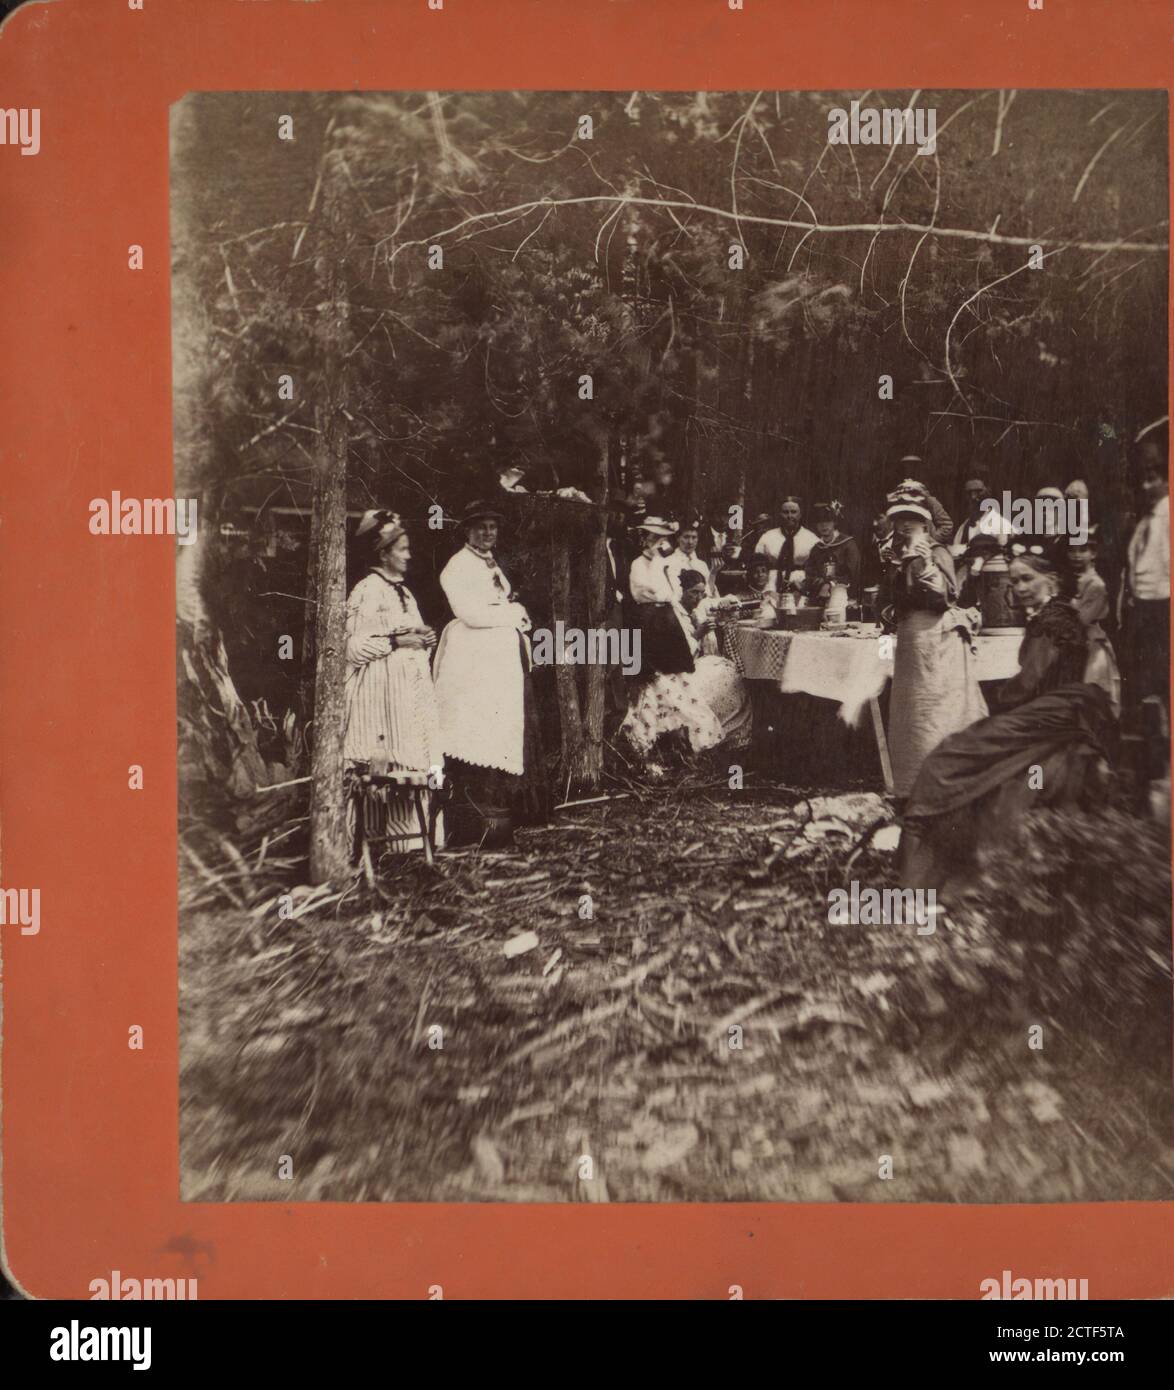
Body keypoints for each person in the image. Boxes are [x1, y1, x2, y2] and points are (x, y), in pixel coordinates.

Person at [899, 554, 1116, 898]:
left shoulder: (1053, 621)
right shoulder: (1059, 616)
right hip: (1053, 715)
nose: (1019, 588)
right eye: (1014, 581)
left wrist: (995, 697)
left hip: (1045, 720)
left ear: (1052, 580)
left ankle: (934, 869)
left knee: (947, 762)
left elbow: (1028, 684)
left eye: (1027, 579)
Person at [432, 500, 549, 839]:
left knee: (508, 723)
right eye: (480, 527)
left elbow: (502, 601)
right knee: (478, 727)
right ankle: (475, 815)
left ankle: (514, 810)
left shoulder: (490, 563)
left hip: (501, 658)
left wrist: (517, 612)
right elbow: (470, 612)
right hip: (473, 658)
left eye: (492, 527)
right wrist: (511, 615)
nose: (487, 533)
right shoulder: (457, 566)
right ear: (467, 531)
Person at [344, 511, 443, 854]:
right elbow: (353, 647)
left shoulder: (406, 593)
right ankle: (369, 847)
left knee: (414, 762)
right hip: (379, 699)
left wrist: (423, 640)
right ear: (383, 553)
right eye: (401, 549)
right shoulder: (368, 591)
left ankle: (408, 848)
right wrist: (396, 642)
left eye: (408, 547)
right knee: (384, 766)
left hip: (408, 698)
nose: (408, 554)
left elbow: (411, 638)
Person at [881, 500, 988, 799]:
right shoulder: (900, 555)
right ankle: (909, 782)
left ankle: (939, 777)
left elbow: (942, 598)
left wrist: (920, 568)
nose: (905, 525)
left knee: (933, 707)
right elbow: (896, 597)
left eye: (912, 520)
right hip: (911, 637)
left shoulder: (936, 553)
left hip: (934, 637)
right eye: (900, 520)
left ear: (926, 525)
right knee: (911, 708)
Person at [620, 569, 751, 762]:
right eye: (693, 593)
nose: (698, 597)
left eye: (701, 593)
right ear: (681, 590)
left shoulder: (696, 610)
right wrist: (698, 634)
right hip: (675, 667)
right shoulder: (669, 614)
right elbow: (676, 653)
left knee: (729, 672)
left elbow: (725, 604)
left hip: (687, 663)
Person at [628, 517, 695, 675]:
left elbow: (672, 591)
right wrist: (661, 596)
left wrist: (666, 596)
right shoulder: (637, 563)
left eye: (661, 538)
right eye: (654, 537)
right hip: (649, 618)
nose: (658, 542)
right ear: (645, 539)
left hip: (667, 617)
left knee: (675, 666)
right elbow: (643, 592)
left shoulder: (662, 563)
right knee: (653, 668)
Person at [1068, 531, 1121, 715]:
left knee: (1093, 687)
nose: (1076, 555)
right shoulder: (1074, 581)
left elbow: (1082, 619)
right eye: (1073, 551)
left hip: (1092, 642)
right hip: (1077, 641)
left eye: (1082, 550)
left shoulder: (1096, 585)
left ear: (1093, 554)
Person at [803, 501, 861, 606]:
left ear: (835, 522)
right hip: (819, 592)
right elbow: (810, 573)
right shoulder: (816, 549)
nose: (824, 526)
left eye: (828, 521)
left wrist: (829, 584)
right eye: (820, 522)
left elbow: (852, 573)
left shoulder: (848, 544)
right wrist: (821, 584)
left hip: (843, 592)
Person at [755, 497, 818, 593]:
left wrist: (804, 585)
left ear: (800, 514)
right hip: (771, 584)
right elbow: (756, 563)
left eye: (793, 512)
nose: (789, 516)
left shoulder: (811, 539)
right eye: (785, 512)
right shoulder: (767, 537)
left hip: (801, 585)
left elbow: (818, 568)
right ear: (780, 514)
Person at [891, 460, 954, 545]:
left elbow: (947, 525)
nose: (909, 470)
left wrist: (931, 540)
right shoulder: (896, 497)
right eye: (907, 467)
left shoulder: (926, 498)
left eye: (913, 466)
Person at [665, 518, 715, 598]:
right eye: (686, 537)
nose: (690, 542)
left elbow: (708, 593)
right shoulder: (669, 562)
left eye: (694, 537)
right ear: (678, 538)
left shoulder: (702, 565)